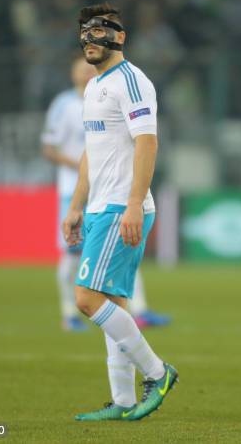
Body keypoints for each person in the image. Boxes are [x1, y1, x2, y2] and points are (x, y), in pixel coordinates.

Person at [63, 3, 178, 421]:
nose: (89, 40)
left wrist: (133, 203)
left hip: (120, 207)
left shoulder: (131, 81)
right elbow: (91, 153)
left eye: (99, 32)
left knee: (86, 298)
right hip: (98, 207)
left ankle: (158, 372)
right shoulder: (94, 86)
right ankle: (125, 401)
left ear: (119, 37)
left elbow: (148, 143)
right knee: (114, 303)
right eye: (84, 33)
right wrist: (76, 207)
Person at [42, 58, 172, 331]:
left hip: (112, 190)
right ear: (72, 73)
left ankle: (140, 310)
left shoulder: (110, 93)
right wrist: (84, 167)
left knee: (122, 250)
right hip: (74, 189)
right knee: (72, 254)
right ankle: (69, 314)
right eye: (81, 67)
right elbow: (49, 148)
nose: (88, 70)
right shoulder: (64, 105)